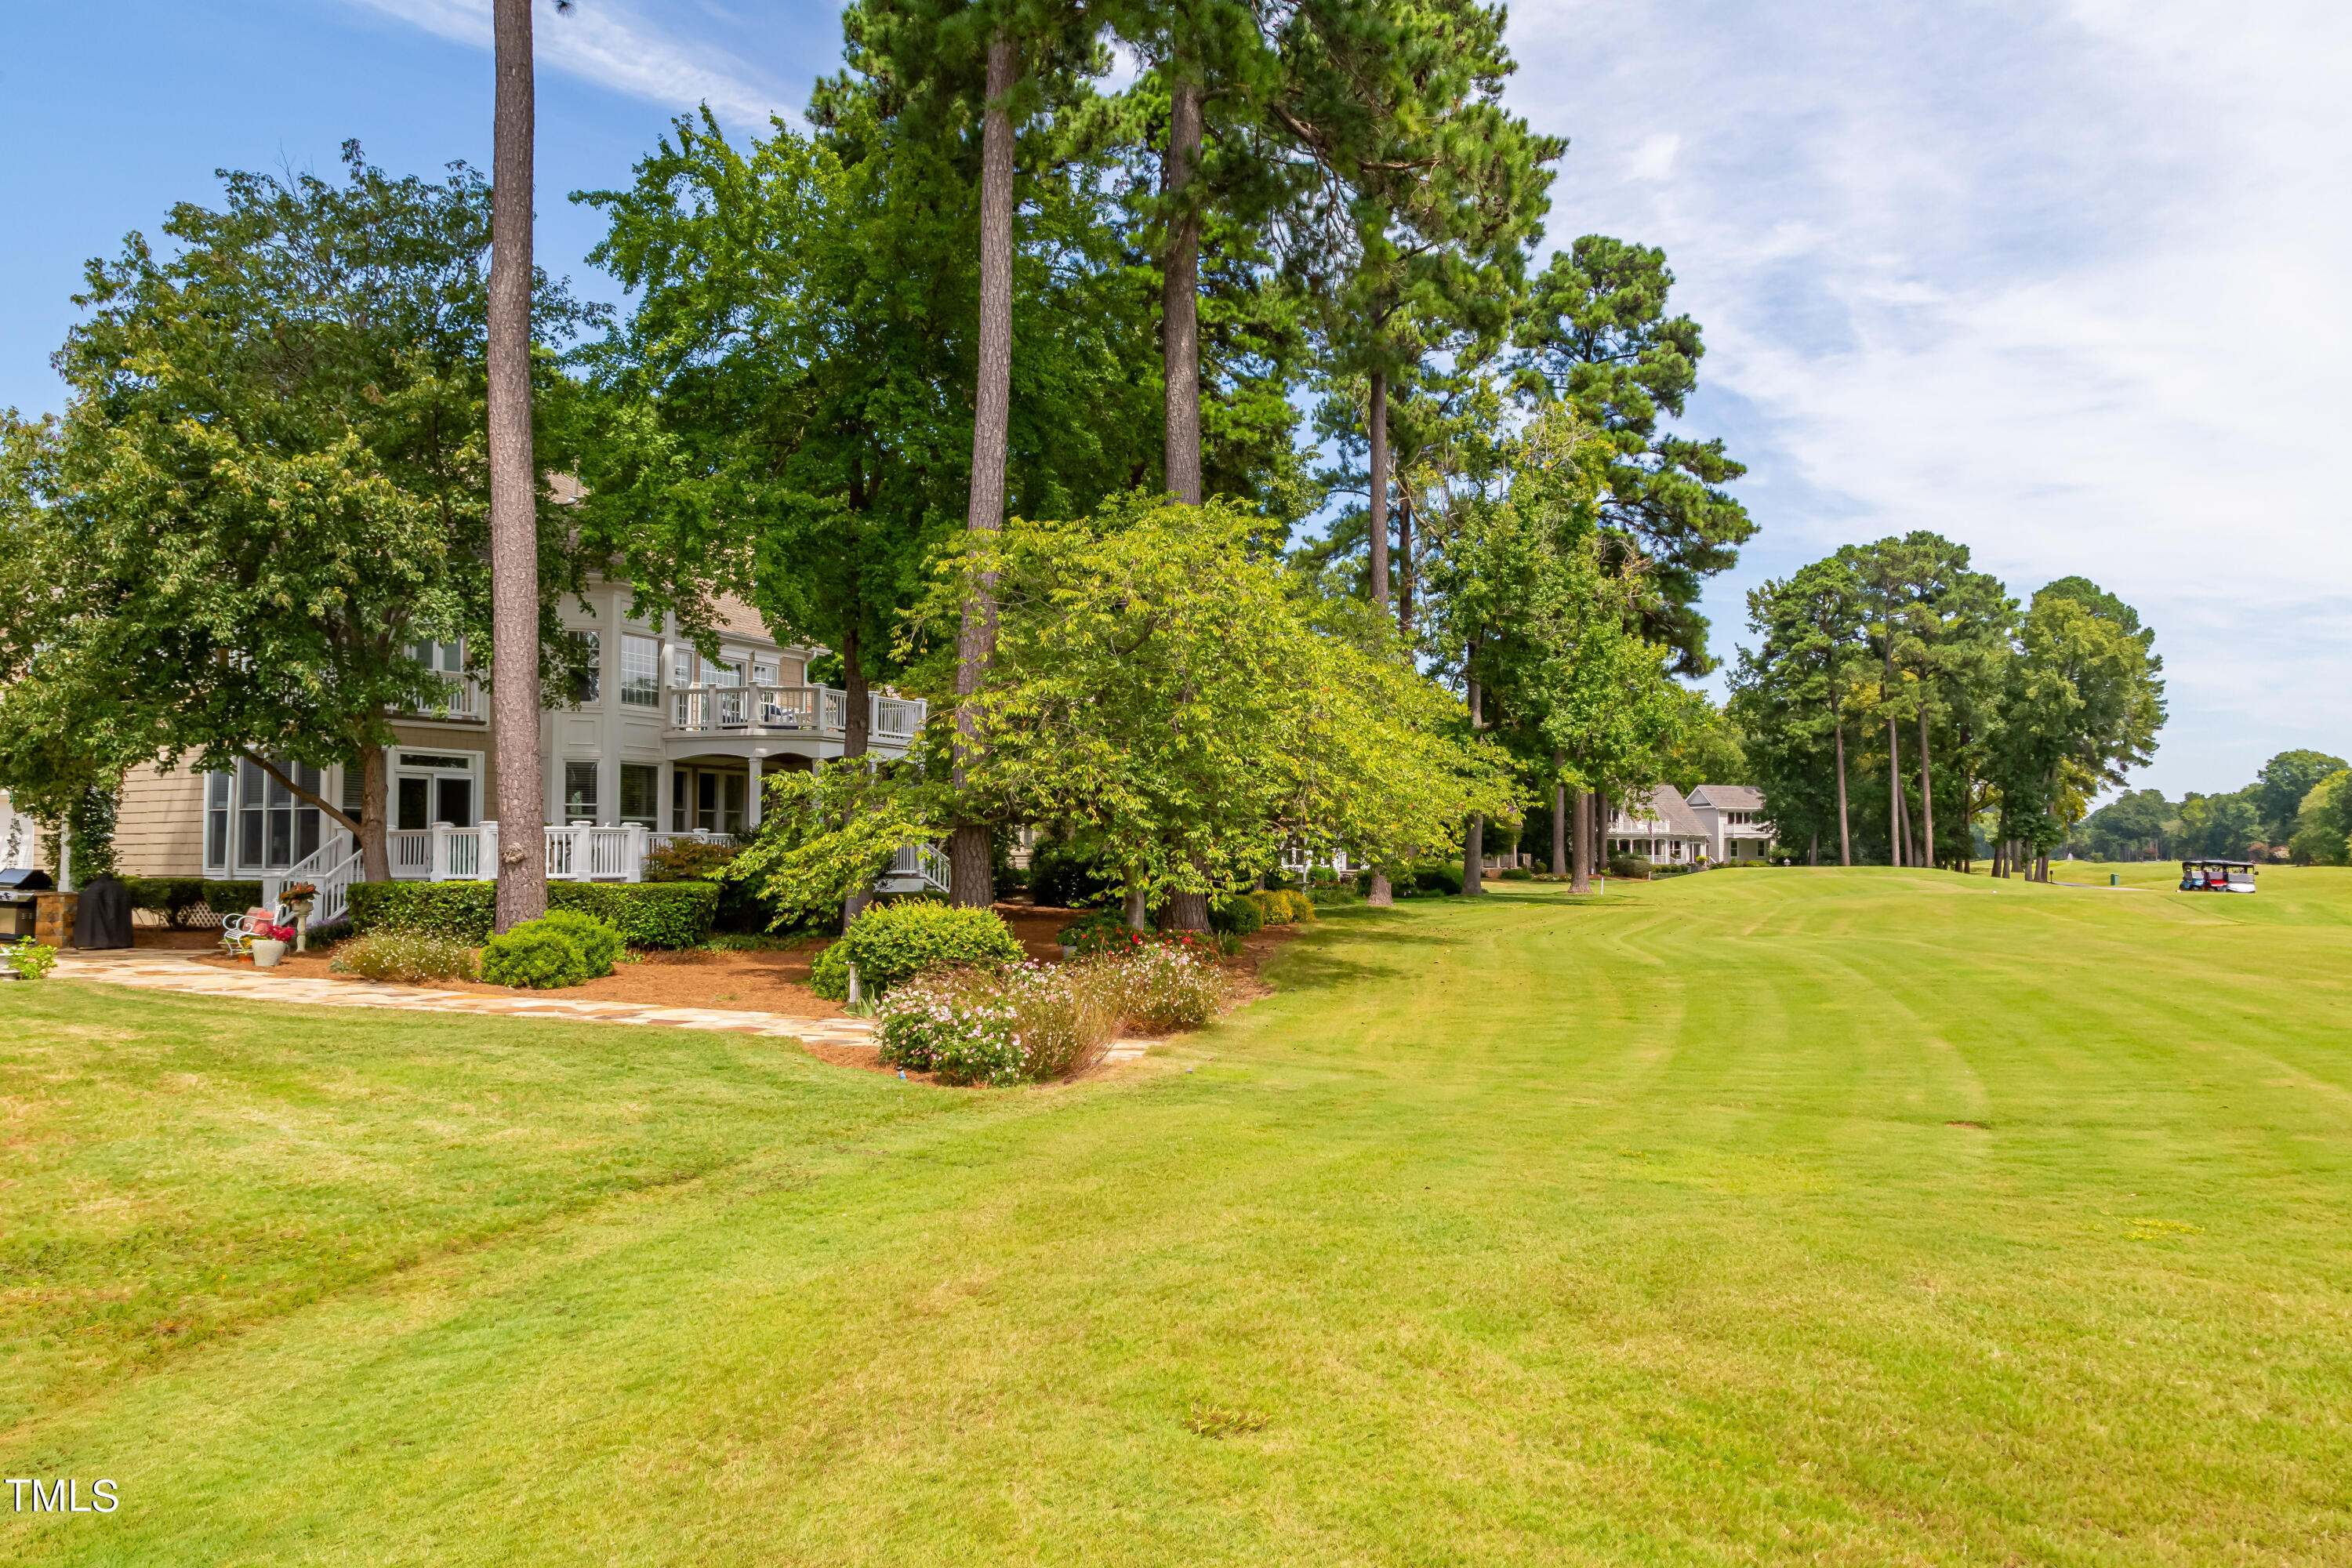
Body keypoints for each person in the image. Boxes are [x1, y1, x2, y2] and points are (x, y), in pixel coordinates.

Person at [71, 872, 133, 949]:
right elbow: (112, 906)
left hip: (89, 911)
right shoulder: (117, 886)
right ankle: (107, 942)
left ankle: (87, 942)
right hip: (103, 911)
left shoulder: (93, 886)